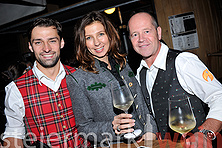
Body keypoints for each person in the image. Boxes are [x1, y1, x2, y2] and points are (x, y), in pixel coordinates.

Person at [127, 11, 222, 147]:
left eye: (146, 31)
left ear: (158, 33)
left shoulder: (183, 62)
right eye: (135, 34)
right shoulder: (140, 73)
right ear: (131, 41)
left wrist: (205, 133)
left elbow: (219, 95)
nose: (141, 39)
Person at [66, 11, 157, 146]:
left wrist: (151, 130)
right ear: (83, 42)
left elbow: (142, 104)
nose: (96, 43)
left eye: (100, 34)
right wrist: (112, 128)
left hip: (144, 141)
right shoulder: (78, 79)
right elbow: (84, 128)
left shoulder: (124, 64)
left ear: (109, 35)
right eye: (89, 38)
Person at [2, 18, 89, 148]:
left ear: (62, 43)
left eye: (52, 41)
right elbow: (14, 135)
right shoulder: (15, 89)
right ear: (30, 46)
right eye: (38, 42)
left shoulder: (81, 76)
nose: (46, 48)